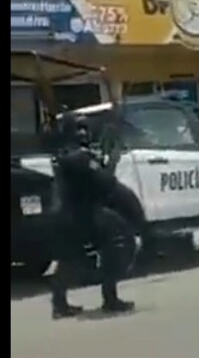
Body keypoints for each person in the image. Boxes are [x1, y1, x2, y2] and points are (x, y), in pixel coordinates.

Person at [49, 113, 136, 319]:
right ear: (69, 131)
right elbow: (105, 182)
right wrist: (113, 159)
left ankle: (59, 303)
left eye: (85, 128)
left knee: (71, 257)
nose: (83, 132)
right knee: (118, 242)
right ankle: (110, 298)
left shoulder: (69, 153)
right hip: (84, 213)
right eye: (78, 128)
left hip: (71, 214)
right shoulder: (78, 156)